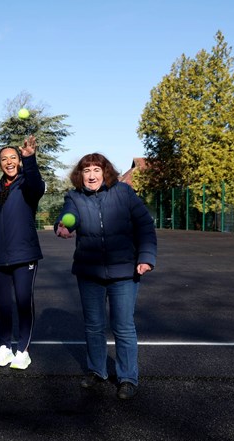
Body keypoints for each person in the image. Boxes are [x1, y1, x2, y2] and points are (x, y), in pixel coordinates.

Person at [55, 153, 157, 400]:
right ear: (81, 175)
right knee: (94, 326)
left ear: (105, 172)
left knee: (123, 327)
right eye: (86, 170)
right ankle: (97, 371)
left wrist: (146, 257)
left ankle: (127, 377)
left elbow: (144, 226)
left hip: (124, 271)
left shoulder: (124, 193)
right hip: (89, 271)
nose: (91, 175)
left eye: (96, 170)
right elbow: (70, 215)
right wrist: (64, 224)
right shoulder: (74, 196)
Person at [0, 136, 44, 370]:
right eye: (4, 159)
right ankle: (5, 346)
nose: (9, 162)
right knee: (3, 305)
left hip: (24, 256)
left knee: (24, 303)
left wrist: (30, 158)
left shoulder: (28, 185)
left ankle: (22, 350)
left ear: (19, 161)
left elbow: (37, 184)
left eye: (13, 158)